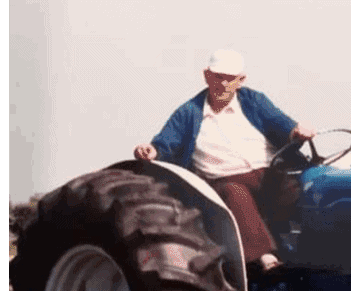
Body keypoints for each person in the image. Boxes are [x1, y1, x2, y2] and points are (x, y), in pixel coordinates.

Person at [133, 49, 315, 275]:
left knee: (309, 188)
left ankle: (321, 250)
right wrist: (152, 151)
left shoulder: (253, 101)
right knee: (234, 193)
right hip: (223, 179)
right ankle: (265, 257)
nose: (222, 84)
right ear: (207, 76)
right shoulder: (190, 112)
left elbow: (282, 125)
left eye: (229, 79)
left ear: (240, 81)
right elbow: (166, 143)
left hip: (268, 174)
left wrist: (296, 131)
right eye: (218, 77)